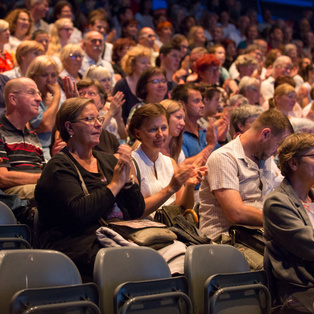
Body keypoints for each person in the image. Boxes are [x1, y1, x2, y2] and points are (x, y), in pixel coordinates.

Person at [35, 97, 145, 280]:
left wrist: (127, 181)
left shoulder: (108, 161)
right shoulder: (59, 168)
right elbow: (80, 212)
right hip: (75, 247)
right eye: (89, 119)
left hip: (114, 238)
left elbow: (137, 211)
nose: (98, 125)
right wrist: (115, 184)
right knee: (137, 267)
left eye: (98, 119)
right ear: (69, 128)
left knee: (168, 252)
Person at [199, 109, 293, 240]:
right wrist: (282, 221)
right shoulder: (224, 158)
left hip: (258, 234)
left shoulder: (263, 156)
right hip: (225, 239)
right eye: (279, 144)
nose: (277, 152)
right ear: (265, 134)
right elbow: (236, 213)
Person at [263, 133, 314, 312]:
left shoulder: (312, 198)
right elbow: (310, 245)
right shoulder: (277, 203)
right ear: (294, 163)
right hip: (301, 290)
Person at [129, 103, 204, 217]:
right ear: (137, 133)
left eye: (164, 128)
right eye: (153, 129)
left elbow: (184, 208)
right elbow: (136, 211)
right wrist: (170, 188)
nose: (160, 134)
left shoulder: (170, 162)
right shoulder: (131, 163)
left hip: (169, 228)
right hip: (144, 230)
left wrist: (189, 185)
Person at [0, 77, 44, 200]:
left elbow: (43, 170)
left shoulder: (32, 135)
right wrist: (44, 179)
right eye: (32, 93)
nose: (39, 98)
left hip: (36, 189)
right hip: (12, 194)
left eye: (39, 93)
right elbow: (3, 178)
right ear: (13, 99)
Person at [27, 55, 61, 160]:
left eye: (53, 75)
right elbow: (46, 125)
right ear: (33, 77)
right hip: (40, 149)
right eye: (44, 75)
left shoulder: (52, 99)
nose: (49, 80)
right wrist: (57, 95)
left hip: (56, 147)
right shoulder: (30, 98)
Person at [112, 45, 151, 124]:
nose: (147, 66)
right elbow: (118, 115)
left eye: (149, 63)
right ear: (132, 65)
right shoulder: (122, 85)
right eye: (143, 63)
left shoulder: (150, 84)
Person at [160, 99, 186, 164]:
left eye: (183, 119)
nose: (183, 123)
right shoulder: (146, 146)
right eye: (178, 117)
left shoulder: (176, 148)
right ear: (165, 117)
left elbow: (181, 171)